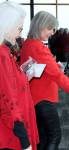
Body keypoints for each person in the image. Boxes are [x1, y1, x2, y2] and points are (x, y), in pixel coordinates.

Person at [20, 11, 69, 150]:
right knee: (54, 135)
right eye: (50, 28)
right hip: (42, 98)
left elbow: (36, 68)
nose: (52, 32)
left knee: (43, 136)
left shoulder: (28, 44)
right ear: (40, 26)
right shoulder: (37, 47)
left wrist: (52, 65)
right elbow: (57, 76)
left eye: (53, 29)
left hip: (36, 96)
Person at [0, 1, 39, 150]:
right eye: (19, 29)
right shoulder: (2, 55)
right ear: (7, 27)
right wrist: (24, 141)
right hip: (12, 134)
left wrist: (22, 76)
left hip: (15, 127)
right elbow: (7, 100)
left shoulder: (5, 51)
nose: (20, 34)